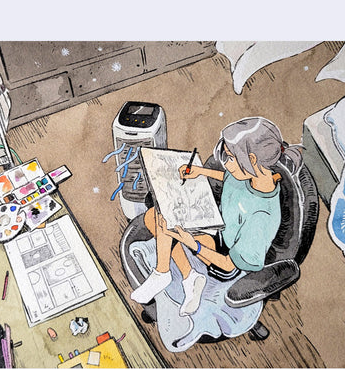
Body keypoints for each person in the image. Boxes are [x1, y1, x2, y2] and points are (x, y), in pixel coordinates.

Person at [130, 117, 303, 317]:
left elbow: (229, 264)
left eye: (230, 157)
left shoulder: (261, 217)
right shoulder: (252, 176)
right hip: (218, 226)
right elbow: (229, 179)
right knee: (154, 215)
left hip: (227, 258)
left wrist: (193, 244)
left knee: (169, 225)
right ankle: (187, 276)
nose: (225, 164)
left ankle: (167, 274)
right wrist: (199, 172)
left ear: (252, 160)